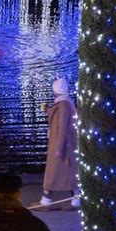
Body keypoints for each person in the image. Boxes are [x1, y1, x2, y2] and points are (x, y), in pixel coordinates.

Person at [37, 78, 79, 209]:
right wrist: (48, 110)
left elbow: (62, 127)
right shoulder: (63, 103)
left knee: (53, 173)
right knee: (69, 173)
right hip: (63, 144)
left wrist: (59, 148)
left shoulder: (64, 105)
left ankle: (46, 201)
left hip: (61, 144)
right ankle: (75, 200)